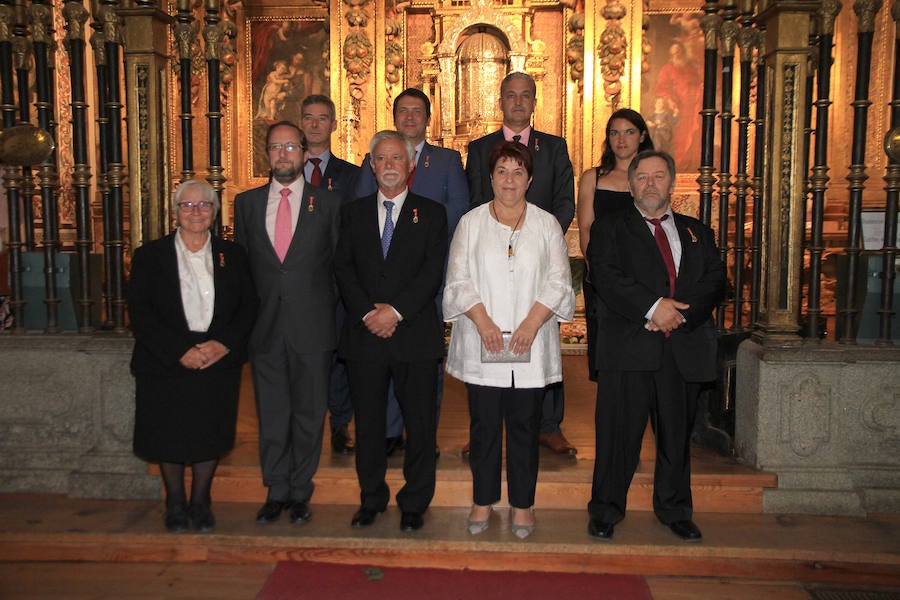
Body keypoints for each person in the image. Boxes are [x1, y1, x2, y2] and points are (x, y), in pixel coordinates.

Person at [586, 150, 724, 542]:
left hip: (682, 348)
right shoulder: (609, 228)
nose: (650, 184)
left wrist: (681, 314)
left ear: (672, 182)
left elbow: (714, 280)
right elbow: (607, 278)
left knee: (675, 437)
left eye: (658, 176)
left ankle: (675, 509)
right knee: (617, 436)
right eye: (642, 177)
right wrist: (652, 307)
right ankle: (606, 510)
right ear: (630, 185)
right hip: (629, 347)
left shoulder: (699, 231)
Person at [444, 141, 575, 539]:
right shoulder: (470, 223)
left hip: (529, 347)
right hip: (483, 345)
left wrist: (532, 324)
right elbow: (458, 279)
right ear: (490, 177)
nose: (509, 179)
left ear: (530, 180)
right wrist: (482, 322)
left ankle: (522, 505)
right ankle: (483, 499)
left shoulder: (546, 224)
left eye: (518, 172)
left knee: (524, 427)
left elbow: (558, 281)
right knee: (483, 429)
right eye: (502, 171)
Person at [128, 179, 257, 533]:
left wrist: (223, 344)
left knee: (208, 433)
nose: (196, 211)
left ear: (215, 213)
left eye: (204, 205)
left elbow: (248, 308)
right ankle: (174, 502)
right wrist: (178, 351)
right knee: (168, 435)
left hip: (216, 359)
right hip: (165, 361)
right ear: (175, 214)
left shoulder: (233, 255)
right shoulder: (150, 256)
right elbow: (140, 312)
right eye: (187, 205)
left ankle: (201, 501)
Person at [335, 130, 448, 532]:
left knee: (419, 425)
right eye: (380, 159)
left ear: (410, 165)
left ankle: (415, 502)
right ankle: (371, 499)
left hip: (414, 335)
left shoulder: (432, 213)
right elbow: (344, 270)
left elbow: (432, 272)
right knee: (367, 425)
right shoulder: (351, 213)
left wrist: (395, 312)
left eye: (396, 158)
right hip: (364, 335)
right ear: (371, 165)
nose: (388, 166)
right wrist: (370, 313)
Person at [233, 121, 342, 525]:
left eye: (290, 147)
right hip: (264, 329)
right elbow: (243, 270)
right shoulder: (245, 204)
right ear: (267, 153)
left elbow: (336, 266)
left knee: (310, 414)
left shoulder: (328, 203)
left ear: (303, 152)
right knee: (273, 413)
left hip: (312, 328)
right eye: (276, 147)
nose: (283, 154)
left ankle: (300, 491)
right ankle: (275, 489)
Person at [466, 71, 576, 456]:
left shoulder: (555, 147)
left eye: (524, 96)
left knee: (539, 337)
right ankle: (485, 426)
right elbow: (475, 201)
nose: (517, 102)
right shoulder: (480, 149)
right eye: (510, 95)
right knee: (491, 335)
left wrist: (541, 241)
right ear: (500, 100)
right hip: (492, 261)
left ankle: (548, 425)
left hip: (540, 259)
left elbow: (564, 201)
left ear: (534, 102)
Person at [356, 87, 468, 457]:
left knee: (423, 362)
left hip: (427, 279)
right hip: (380, 281)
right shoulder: (372, 160)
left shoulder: (448, 161)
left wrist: (420, 241)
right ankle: (389, 432)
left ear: (428, 117)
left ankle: (423, 434)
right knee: (383, 354)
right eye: (402, 111)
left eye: (416, 111)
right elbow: (358, 214)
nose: (409, 117)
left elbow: (458, 213)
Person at [299, 94, 360, 455]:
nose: (316, 124)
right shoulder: (286, 172)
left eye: (323, 118)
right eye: (309, 118)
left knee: (339, 356)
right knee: (304, 358)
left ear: (335, 124)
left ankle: (340, 425)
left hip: (338, 284)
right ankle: (305, 426)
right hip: (299, 284)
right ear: (301, 123)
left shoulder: (352, 177)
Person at [577, 109, 654, 380]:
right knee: (606, 349)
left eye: (629, 132)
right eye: (614, 133)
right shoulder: (592, 177)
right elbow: (586, 228)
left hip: (644, 276)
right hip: (602, 274)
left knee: (642, 347)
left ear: (642, 136)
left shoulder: (651, 178)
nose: (621, 139)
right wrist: (596, 270)